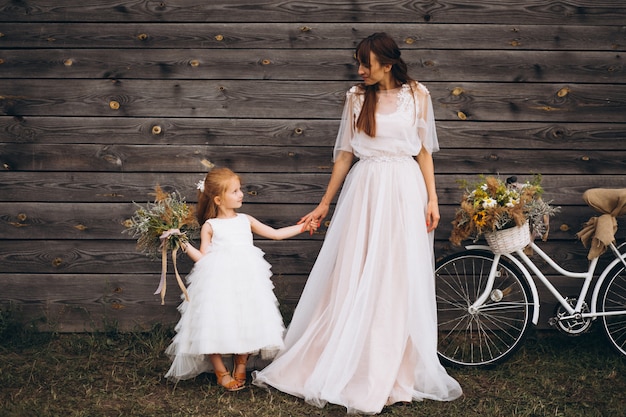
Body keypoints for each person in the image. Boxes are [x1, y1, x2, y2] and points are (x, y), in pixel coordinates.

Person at [252, 33, 462, 413]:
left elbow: (425, 152)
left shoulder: (418, 95)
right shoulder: (355, 97)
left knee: (397, 276)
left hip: (404, 190)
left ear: (388, 62)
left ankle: (393, 367)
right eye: (358, 63)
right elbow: (345, 156)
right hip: (364, 191)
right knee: (354, 271)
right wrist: (324, 203)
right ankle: (344, 359)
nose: (360, 70)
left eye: (366, 63)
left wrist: (432, 198)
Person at [164, 167, 317, 391]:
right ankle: (220, 370)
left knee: (247, 317)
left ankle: (241, 362)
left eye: (240, 189)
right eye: (234, 191)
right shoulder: (211, 226)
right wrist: (182, 243)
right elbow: (202, 258)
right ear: (218, 199)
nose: (241, 194)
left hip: (247, 280)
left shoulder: (245, 220)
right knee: (213, 321)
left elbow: (274, 233)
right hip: (217, 282)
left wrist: (303, 227)